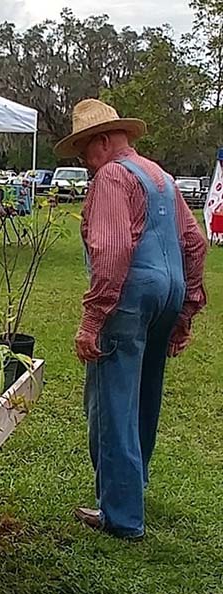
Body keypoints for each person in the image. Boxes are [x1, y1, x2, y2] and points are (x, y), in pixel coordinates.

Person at [55, 99, 207, 539]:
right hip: (167, 291)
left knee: (111, 402)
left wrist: (93, 318)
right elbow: (194, 244)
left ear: (103, 142)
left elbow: (113, 249)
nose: (85, 162)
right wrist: (186, 309)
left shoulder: (111, 177)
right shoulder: (159, 176)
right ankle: (133, 486)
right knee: (145, 393)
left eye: (85, 150)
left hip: (129, 296)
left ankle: (121, 515)